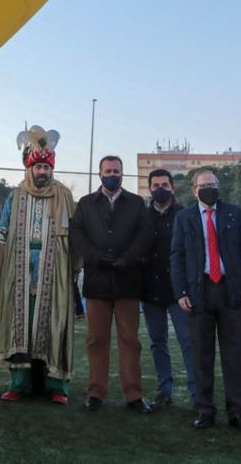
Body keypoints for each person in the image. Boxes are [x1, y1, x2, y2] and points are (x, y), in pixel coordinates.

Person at [170, 168, 241, 431]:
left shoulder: (233, 213)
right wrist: (181, 292)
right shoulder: (184, 217)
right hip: (199, 292)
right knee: (201, 355)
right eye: (204, 185)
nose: (210, 188)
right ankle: (205, 409)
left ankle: (237, 412)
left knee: (234, 354)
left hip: (230, 291)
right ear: (194, 189)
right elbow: (177, 257)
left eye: (214, 184)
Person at [0, 126, 77, 404]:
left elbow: (75, 236)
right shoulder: (15, 195)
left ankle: (57, 387)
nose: (43, 172)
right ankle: (19, 384)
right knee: (21, 326)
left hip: (55, 273)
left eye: (46, 167)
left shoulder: (64, 195)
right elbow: (2, 233)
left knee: (55, 325)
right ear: (30, 169)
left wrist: (75, 269)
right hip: (19, 272)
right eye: (38, 167)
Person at [71, 155, 153, 414]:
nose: (112, 174)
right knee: (96, 339)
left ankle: (134, 395)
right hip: (97, 282)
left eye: (116, 170)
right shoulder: (85, 203)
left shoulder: (137, 203)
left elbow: (145, 234)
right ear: (99, 174)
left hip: (127, 281)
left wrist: (127, 259)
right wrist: (95, 257)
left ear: (122, 174)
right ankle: (96, 393)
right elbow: (77, 234)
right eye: (108, 170)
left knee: (130, 340)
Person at [141, 168, 197, 408]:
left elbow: (192, 254)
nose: (160, 189)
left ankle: (197, 394)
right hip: (150, 290)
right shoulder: (142, 216)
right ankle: (165, 389)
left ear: (173, 188)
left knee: (188, 341)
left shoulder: (185, 215)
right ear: (150, 188)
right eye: (156, 185)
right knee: (157, 342)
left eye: (165, 184)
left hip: (178, 292)